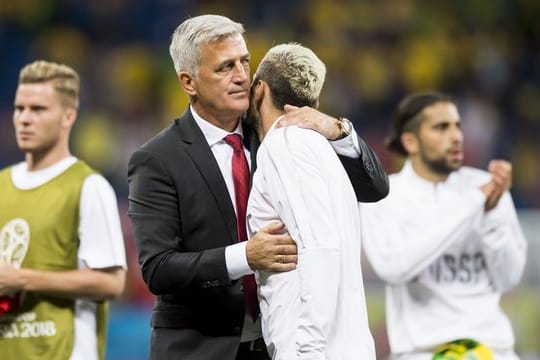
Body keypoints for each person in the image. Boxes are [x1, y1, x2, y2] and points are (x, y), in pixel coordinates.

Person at [127, 14, 388, 360]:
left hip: (273, 345)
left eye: (244, 62)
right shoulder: (157, 159)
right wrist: (245, 256)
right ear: (188, 81)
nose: (240, 76)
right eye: (224, 68)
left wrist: (337, 129)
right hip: (200, 348)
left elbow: (374, 187)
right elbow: (158, 268)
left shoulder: (278, 136)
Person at [360, 91, 527, 360]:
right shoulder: (385, 197)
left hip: (493, 350)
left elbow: (508, 278)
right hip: (422, 353)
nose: (456, 136)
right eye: (441, 127)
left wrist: (492, 215)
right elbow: (394, 267)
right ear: (410, 141)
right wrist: (475, 204)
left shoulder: (487, 187)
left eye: (458, 126)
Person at [245, 42, 376, 360]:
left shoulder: (285, 144)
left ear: (259, 90)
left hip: (314, 349)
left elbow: (321, 248)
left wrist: (308, 351)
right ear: (314, 102)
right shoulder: (322, 150)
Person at [0, 60, 127, 360]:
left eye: (38, 109)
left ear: (68, 116)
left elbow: (110, 282)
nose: (24, 119)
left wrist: (22, 280)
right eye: (20, 108)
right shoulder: (2, 184)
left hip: (63, 351)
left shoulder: (88, 186)